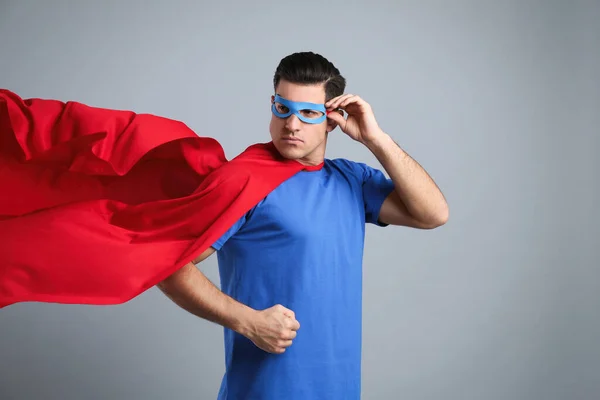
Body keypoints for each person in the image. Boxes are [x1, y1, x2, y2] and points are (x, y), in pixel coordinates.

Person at [157, 51, 449, 399]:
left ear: (332, 119)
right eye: (283, 108)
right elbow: (168, 266)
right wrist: (247, 321)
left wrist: (376, 139)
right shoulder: (245, 181)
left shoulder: (351, 180)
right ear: (272, 104)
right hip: (265, 390)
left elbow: (433, 214)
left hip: (339, 388)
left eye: (308, 113)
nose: (292, 124)